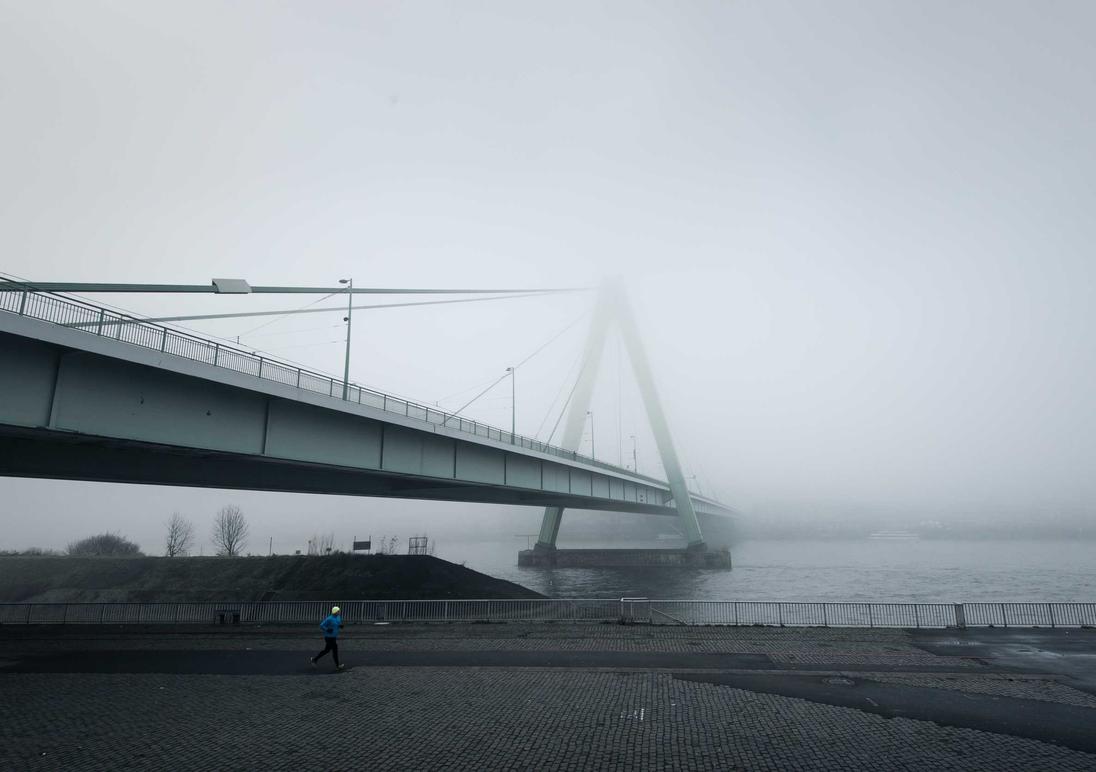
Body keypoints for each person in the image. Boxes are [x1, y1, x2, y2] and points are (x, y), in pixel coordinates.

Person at [310, 605, 345, 670]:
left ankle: (314, 659)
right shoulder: (329, 619)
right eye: (338, 611)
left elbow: (338, 624)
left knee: (326, 650)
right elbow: (321, 625)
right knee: (335, 650)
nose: (339, 612)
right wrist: (327, 629)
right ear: (335, 612)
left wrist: (340, 626)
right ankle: (338, 666)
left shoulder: (338, 617)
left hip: (334, 637)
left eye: (339, 611)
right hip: (328, 637)